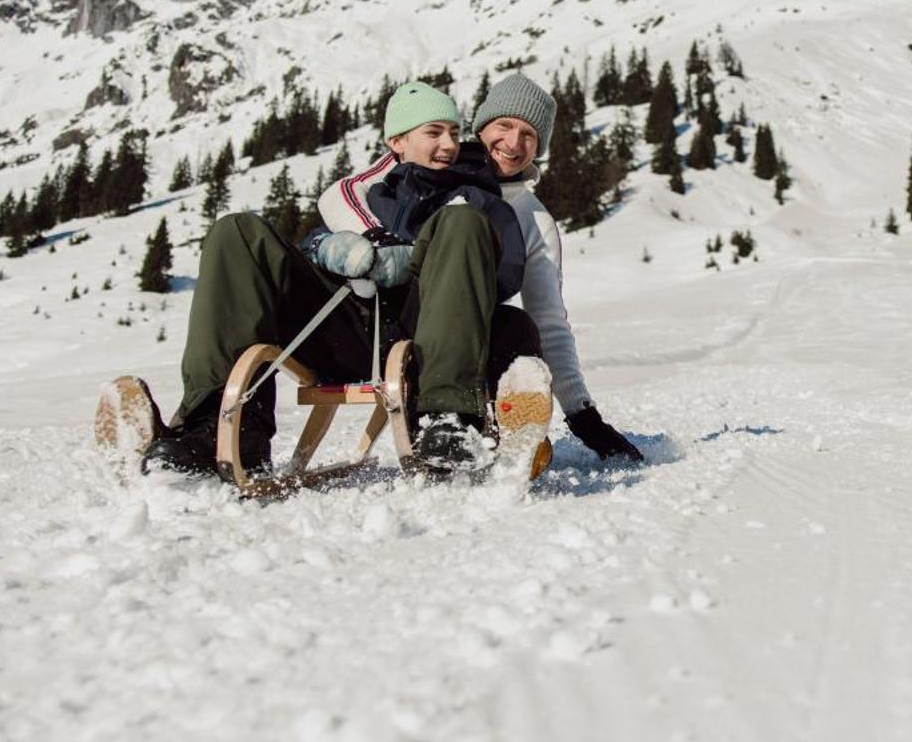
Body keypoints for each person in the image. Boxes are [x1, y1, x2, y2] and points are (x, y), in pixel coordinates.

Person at [121, 80, 543, 477]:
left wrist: (422, 256)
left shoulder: (481, 202)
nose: (449, 144)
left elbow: (504, 281)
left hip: (427, 343)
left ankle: (447, 423)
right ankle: (216, 426)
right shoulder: (376, 191)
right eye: (435, 132)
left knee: (463, 227)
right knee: (237, 231)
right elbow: (330, 230)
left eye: (454, 132)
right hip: (343, 333)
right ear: (397, 143)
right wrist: (324, 246)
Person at [321, 72, 645, 466]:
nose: (513, 143)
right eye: (504, 125)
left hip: (470, 338)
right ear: (481, 126)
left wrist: (583, 416)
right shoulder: (431, 162)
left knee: (519, 328)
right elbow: (342, 193)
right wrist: (374, 242)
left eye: (529, 135)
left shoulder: (531, 217)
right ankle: (480, 421)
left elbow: (550, 319)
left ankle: (515, 425)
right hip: (394, 322)